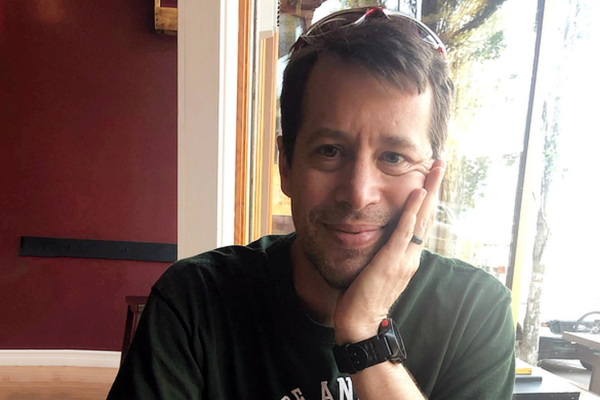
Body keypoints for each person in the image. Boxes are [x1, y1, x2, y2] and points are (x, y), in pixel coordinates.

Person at [107, 7, 515, 400]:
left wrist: (366, 336)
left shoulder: (475, 312)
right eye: (330, 151)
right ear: (286, 166)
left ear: (432, 178)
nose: (358, 193)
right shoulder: (193, 302)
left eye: (393, 158)